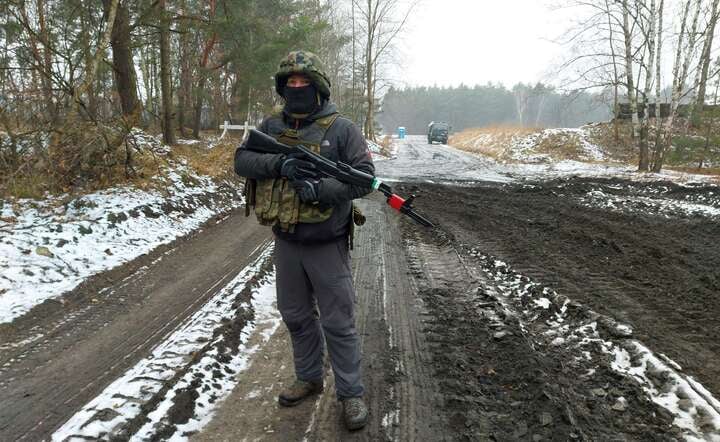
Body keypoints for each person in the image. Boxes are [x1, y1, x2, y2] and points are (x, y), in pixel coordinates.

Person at [234, 50, 374, 431]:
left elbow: (364, 179)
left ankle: (351, 394)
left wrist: (319, 188)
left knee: (338, 322)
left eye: (304, 83)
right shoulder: (271, 125)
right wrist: (279, 164)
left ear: (318, 86)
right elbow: (242, 160)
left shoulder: (341, 128)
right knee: (295, 316)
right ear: (282, 88)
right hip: (286, 242)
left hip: (327, 242)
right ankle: (309, 377)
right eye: (290, 83)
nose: (296, 89)